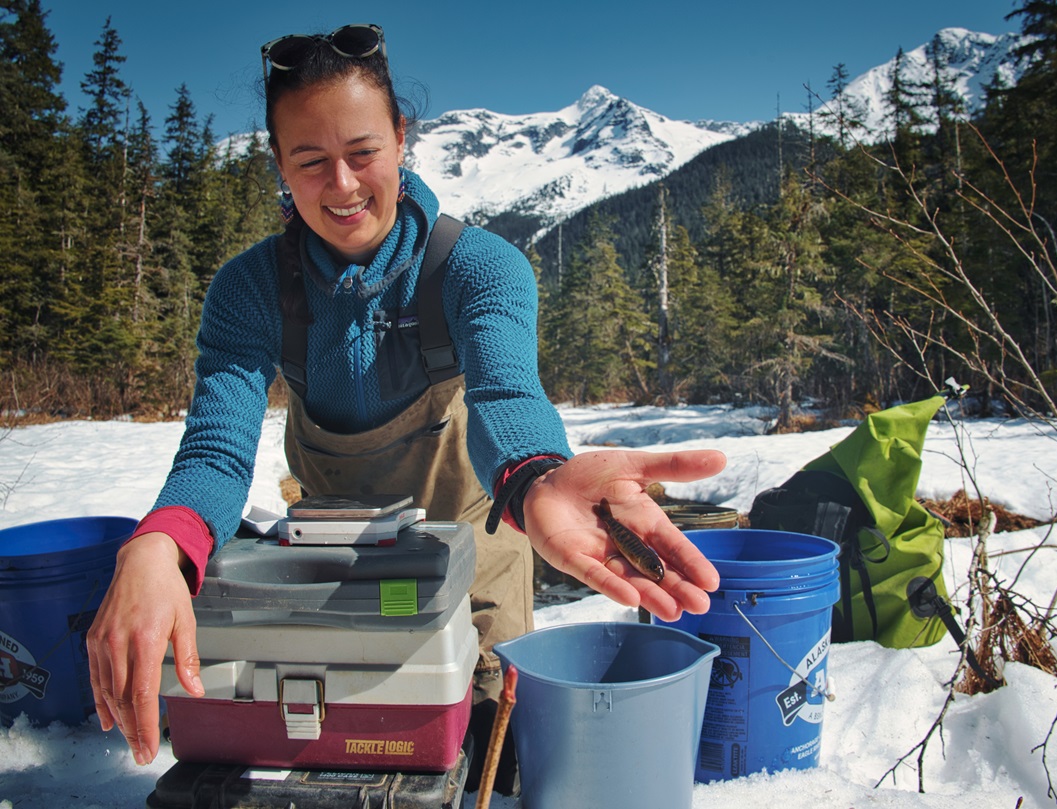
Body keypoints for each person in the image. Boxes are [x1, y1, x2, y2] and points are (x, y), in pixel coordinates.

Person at [85, 21, 726, 786]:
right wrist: (161, 543)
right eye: (311, 162)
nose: (345, 186)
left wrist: (538, 476)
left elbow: (505, 395)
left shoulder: (478, 268)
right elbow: (217, 452)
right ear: (280, 167)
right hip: (341, 577)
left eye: (363, 153)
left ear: (401, 136)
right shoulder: (248, 290)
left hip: (480, 557)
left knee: (486, 750)